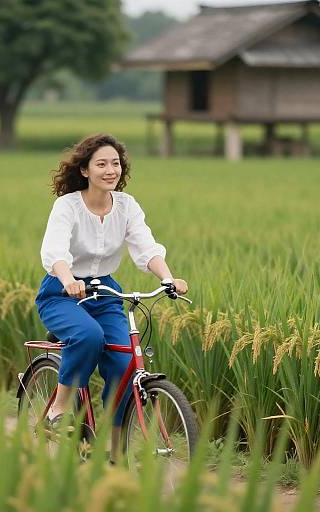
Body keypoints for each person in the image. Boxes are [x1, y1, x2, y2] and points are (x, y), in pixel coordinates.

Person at [35, 133, 188, 463]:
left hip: (105, 293)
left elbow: (145, 248)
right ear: (86, 170)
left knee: (125, 363)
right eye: (101, 163)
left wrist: (167, 277)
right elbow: (55, 250)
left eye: (115, 163)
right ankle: (59, 408)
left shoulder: (127, 206)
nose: (110, 170)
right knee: (88, 336)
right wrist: (68, 279)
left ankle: (115, 453)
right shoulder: (68, 206)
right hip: (61, 293)